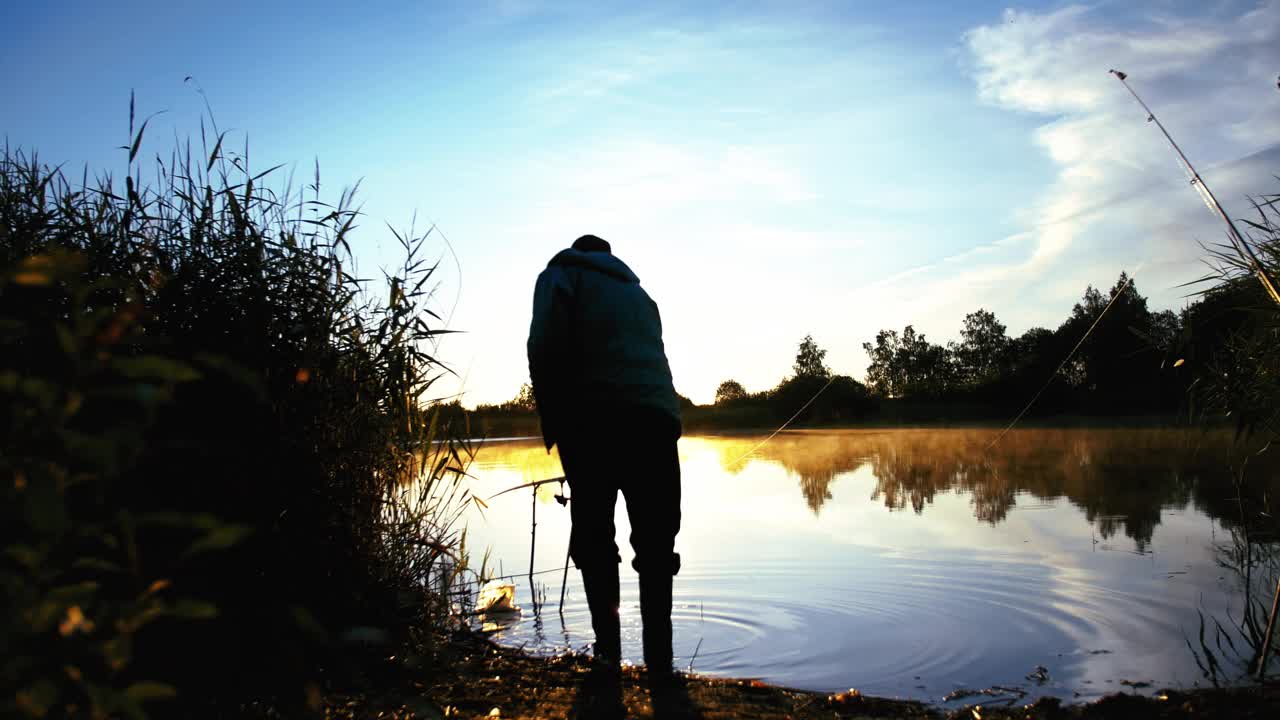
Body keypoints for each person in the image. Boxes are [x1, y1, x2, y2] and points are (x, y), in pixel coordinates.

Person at [527, 234, 683, 683]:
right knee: (656, 544)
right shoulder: (640, 294)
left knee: (595, 538)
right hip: (656, 423)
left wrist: (552, 422)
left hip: (592, 423)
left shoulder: (560, 275)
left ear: (580, 252)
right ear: (610, 258)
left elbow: (542, 346)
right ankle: (659, 660)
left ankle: (608, 654)